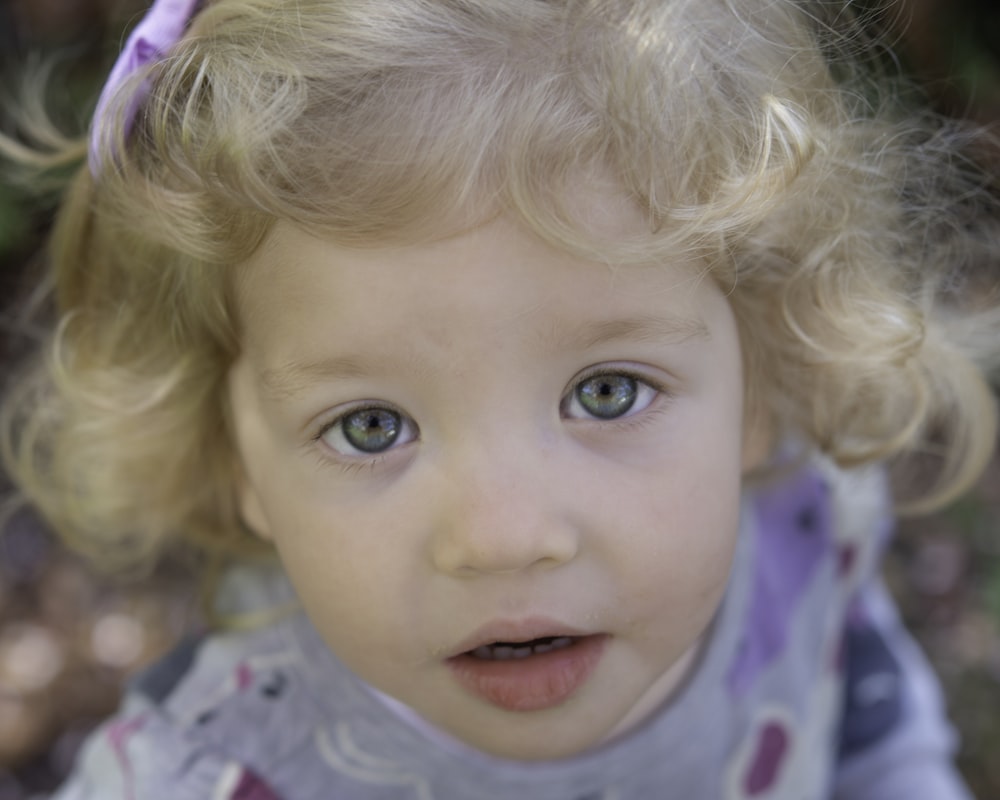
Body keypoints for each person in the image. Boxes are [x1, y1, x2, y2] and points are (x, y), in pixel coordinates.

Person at [1, 0, 998, 797]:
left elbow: (864, 719)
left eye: (607, 393)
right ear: (234, 457)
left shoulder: (799, 523)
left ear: (757, 388)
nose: (501, 534)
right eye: (369, 425)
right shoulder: (212, 774)